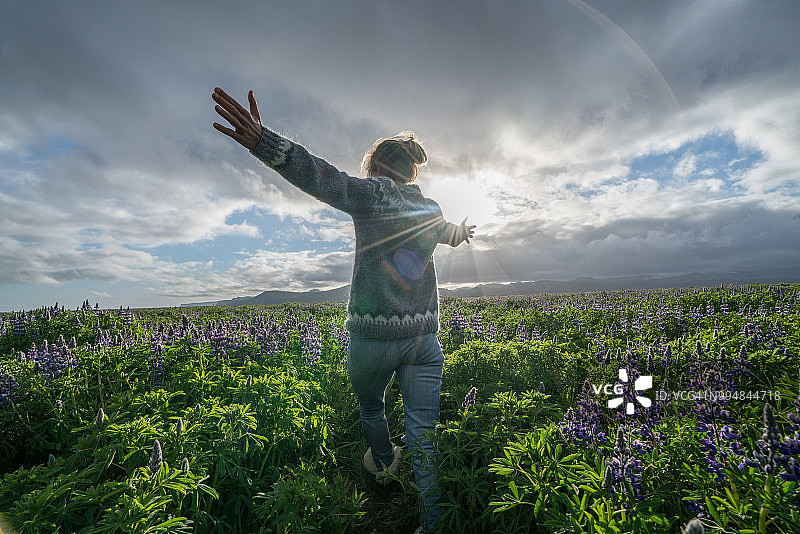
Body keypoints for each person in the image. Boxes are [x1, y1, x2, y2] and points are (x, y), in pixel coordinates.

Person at [212, 87, 475, 534]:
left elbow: (322, 177)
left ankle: (384, 466)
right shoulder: (430, 208)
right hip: (422, 341)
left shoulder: (372, 194)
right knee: (424, 431)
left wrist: (262, 141)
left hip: (372, 339)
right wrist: (463, 232)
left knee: (372, 408)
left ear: (376, 168)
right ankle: (433, 521)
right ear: (412, 171)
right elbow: (450, 233)